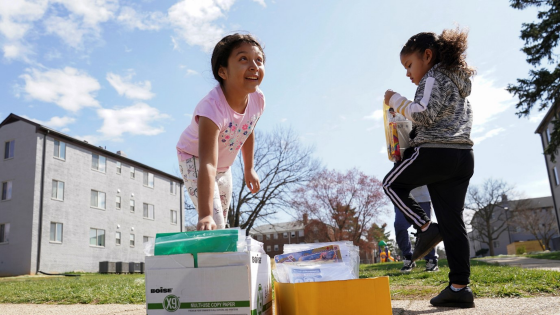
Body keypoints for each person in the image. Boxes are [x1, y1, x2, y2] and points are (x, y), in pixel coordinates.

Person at [383, 28, 475, 308]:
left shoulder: (434, 76)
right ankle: (459, 288)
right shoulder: (459, 86)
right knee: (453, 223)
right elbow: (442, 119)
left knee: (391, 184)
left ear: (427, 55)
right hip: (463, 157)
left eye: (409, 65)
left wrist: (395, 100)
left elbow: (423, 114)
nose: (408, 73)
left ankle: (424, 227)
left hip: (435, 152)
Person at [176, 34, 266, 231]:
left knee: (221, 225)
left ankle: (217, 255)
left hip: (224, 166)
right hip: (196, 158)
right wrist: (205, 215)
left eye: (259, 60)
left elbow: (247, 128)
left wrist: (249, 168)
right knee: (212, 222)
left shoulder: (257, 100)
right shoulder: (211, 109)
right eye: (243, 59)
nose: (254, 66)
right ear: (223, 72)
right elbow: (207, 163)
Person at [395, 186, 438, 273]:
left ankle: (431, 260)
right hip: (402, 197)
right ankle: (408, 258)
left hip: (423, 197)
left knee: (426, 229)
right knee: (399, 225)